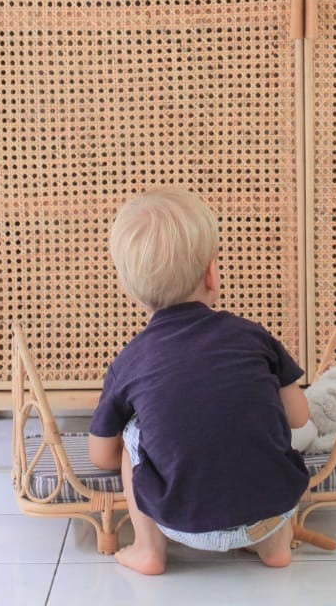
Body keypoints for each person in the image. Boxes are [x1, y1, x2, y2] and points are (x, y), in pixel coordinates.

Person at [88, 187, 310, 575]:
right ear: (212, 272)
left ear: (126, 291)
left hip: (181, 522)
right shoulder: (253, 336)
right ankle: (274, 548)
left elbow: (101, 456)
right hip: (274, 510)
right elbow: (298, 416)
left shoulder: (129, 362)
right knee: (259, 413)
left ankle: (148, 549)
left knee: (132, 434)